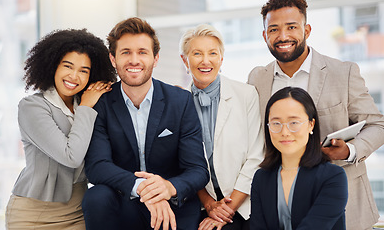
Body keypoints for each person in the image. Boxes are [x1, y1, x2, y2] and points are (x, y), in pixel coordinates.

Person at [247, 0, 384, 230]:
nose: (283, 36)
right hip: (283, 198)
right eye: (273, 29)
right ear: (264, 35)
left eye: (291, 27)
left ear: (307, 30)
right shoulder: (257, 78)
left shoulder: (343, 72)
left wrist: (349, 151)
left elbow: (377, 125)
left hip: (342, 202)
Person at [81, 17, 209, 230]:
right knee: (96, 197)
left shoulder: (180, 101)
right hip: (125, 201)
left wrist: (167, 188)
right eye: (125, 52)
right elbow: (97, 166)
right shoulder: (102, 103)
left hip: (172, 207)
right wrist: (142, 187)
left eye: (142, 52)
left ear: (155, 58)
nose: (134, 60)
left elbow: (197, 170)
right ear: (113, 59)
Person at [5, 29, 117, 229]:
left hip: (77, 210)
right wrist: (85, 108)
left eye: (84, 70)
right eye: (68, 66)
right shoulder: (33, 107)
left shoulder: (90, 104)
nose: (74, 76)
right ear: (52, 66)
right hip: (34, 213)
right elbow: (71, 157)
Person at [179, 24, 264, 230]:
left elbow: (256, 156)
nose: (205, 61)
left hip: (243, 202)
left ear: (222, 59)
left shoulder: (246, 95)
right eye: (197, 53)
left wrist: (226, 209)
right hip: (199, 203)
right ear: (185, 60)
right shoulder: (178, 102)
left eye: (213, 53)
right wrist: (209, 205)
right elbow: (184, 162)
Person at [250, 86, 348, 229]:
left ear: (311, 124)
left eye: (293, 123)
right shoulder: (261, 177)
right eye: (276, 123)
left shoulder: (333, 177)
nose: (285, 132)